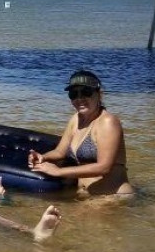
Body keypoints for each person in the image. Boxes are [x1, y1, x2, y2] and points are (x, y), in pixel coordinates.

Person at [28, 70, 135, 198]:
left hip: (111, 197)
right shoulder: (76, 119)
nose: (79, 99)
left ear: (99, 94)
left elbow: (104, 167)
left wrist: (58, 171)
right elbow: (60, 152)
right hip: (87, 196)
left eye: (86, 92)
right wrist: (43, 157)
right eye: (74, 94)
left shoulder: (107, 122)